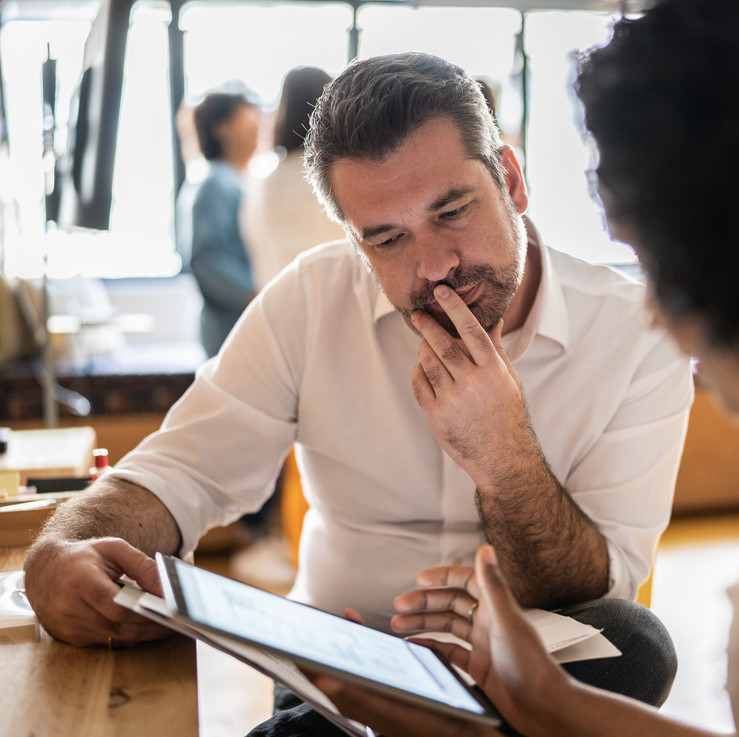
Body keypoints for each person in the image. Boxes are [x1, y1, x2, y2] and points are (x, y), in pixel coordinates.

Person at [22, 52, 693, 734]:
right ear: (354, 239)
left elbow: (599, 587)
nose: (435, 267)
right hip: (345, 660)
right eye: (388, 239)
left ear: (512, 181)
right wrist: (58, 551)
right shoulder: (310, 299)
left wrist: (505, 456)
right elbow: (177, 474)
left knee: (636, 643)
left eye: (453, 211)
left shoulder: (638, 333)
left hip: (525, 663)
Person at [303, 2, 739, 736]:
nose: (652, 313)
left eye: (655, 264)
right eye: (386, 238)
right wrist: (555, 707)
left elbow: (610, 581)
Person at [240, 66, 345, 290]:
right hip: (336, 296)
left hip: (277, 299)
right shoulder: (335, 174)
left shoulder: (261, 183)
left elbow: (257, 253)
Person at [187, 90, 259, 358]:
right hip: (230, 327)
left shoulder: (240, 181)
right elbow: (207, 260)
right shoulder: (215, 184)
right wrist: (256, 294)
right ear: (222, 129)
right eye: (248, 117)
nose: (257, 124)